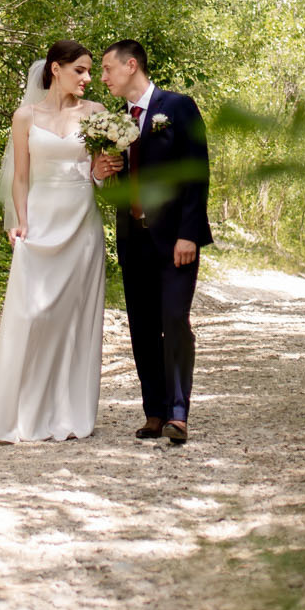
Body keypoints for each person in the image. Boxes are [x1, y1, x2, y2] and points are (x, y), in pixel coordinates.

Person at [0, 40, 108, 442]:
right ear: (56, 68)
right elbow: (20, 177)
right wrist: (19, 222)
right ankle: (20, 413)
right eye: (81, 70)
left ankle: (68, 413)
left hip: (82, 222)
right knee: (32, 315)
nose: (89, 79)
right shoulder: (26, 116)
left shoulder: (98, 114)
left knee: (74, 318)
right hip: (40, 221)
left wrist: (105, 171)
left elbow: (100, 175)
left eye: (91, 71)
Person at [93, 39, 211, 445]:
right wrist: (104, 171)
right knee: (142, 327)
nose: (102, 77)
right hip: (133, 239)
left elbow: (197, 174)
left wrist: (189, 233)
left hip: (176, 238)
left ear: (131, 65)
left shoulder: (178, 108)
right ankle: (155, 412)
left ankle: (179, 413)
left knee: (174, 320)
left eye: (107, 68)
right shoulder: (114, 122)